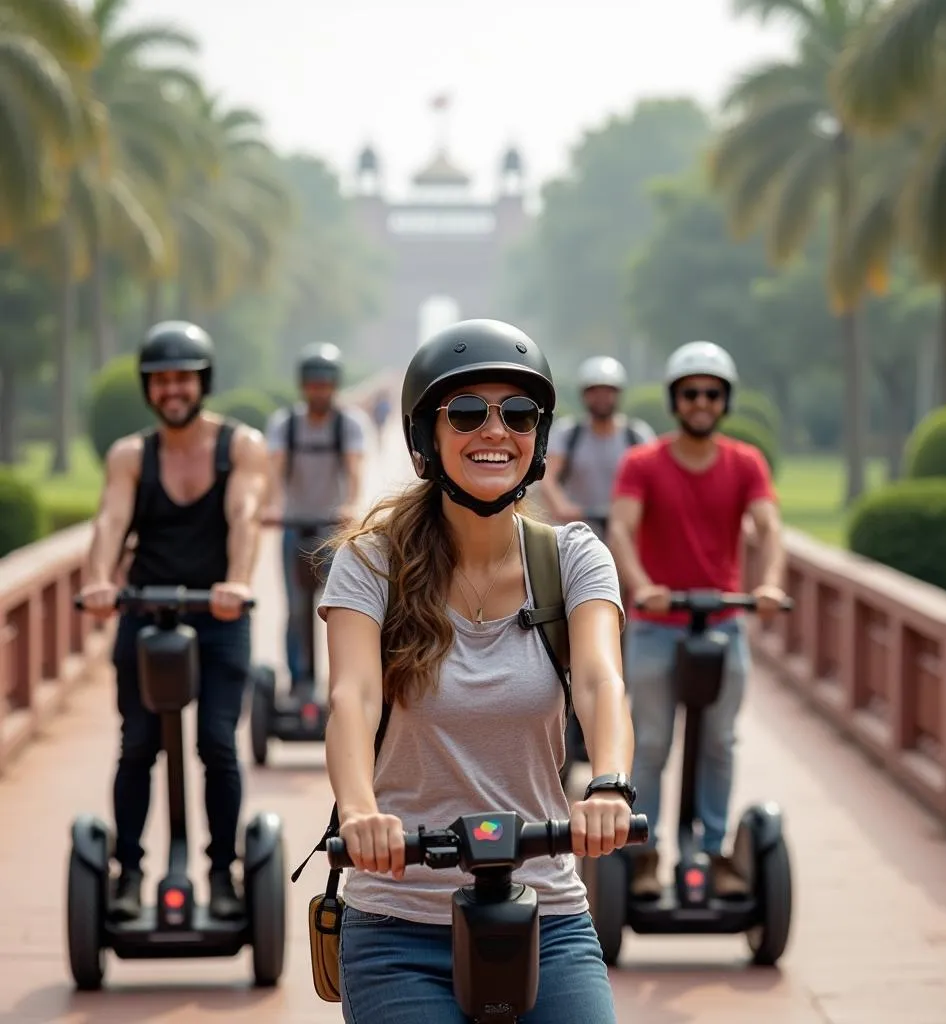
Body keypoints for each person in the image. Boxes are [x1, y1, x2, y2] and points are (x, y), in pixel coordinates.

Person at [318, 319, 637, 1023]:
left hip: (546, 913)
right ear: (427, 436)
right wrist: (361, 812)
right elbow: (352, 695)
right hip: (400, 920)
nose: (494, 431)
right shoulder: (372, 563)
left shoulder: (573, 559)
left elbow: (599, 682)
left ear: (540, 437)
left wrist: (610, 785)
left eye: (517, 414)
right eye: (466, 412)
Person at [79, 321, 269, 921]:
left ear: (202, 382)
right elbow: (110, 523)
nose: (172, 391)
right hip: (145, 611)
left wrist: (237, 582)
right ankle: (129, 871)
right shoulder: (132, 455)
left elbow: (243, 513)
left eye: (182, 379)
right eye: (160, 381)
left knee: (217, 743)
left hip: (218, 613)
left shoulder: (240, 446)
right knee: (136, 745)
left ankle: (220, 872)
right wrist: (98, 580)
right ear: (147, 389)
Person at [608, 341, 787, 900]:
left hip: (722, 623)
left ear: (724, 400)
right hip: (658, 625)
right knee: (653, 741)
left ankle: (712, 850)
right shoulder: (643, 464)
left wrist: (771, 583)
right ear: (675, 400)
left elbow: (769, 527)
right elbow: (620, 529)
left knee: (719, 742)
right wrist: (642, 587)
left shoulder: (744, 463)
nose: (701, 402)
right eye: (691, 393)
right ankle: (644, 852)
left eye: (712, 393)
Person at [263, 343, 365, 689]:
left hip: (333, 530)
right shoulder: (286, 424)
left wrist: (350, 504)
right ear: (303, 385)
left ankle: (341, 680)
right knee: (295, 607)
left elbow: (353, 470)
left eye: (325, 384)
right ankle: (299, 681)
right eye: (313, 383)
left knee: (338, 607)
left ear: (335, 385)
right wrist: (273, 505)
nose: (319, 390)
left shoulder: (348, 424)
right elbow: (273, 471)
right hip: (294, 526)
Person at [540, 355, 655, 540]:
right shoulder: (568, 434)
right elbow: (549, 477)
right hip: (577, 533)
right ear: (584, 395)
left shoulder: (637, 435)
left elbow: (653, 481)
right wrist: (561, 506)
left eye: (608, 391)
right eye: (594, 391)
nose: (602, 398)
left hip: (627, 534)